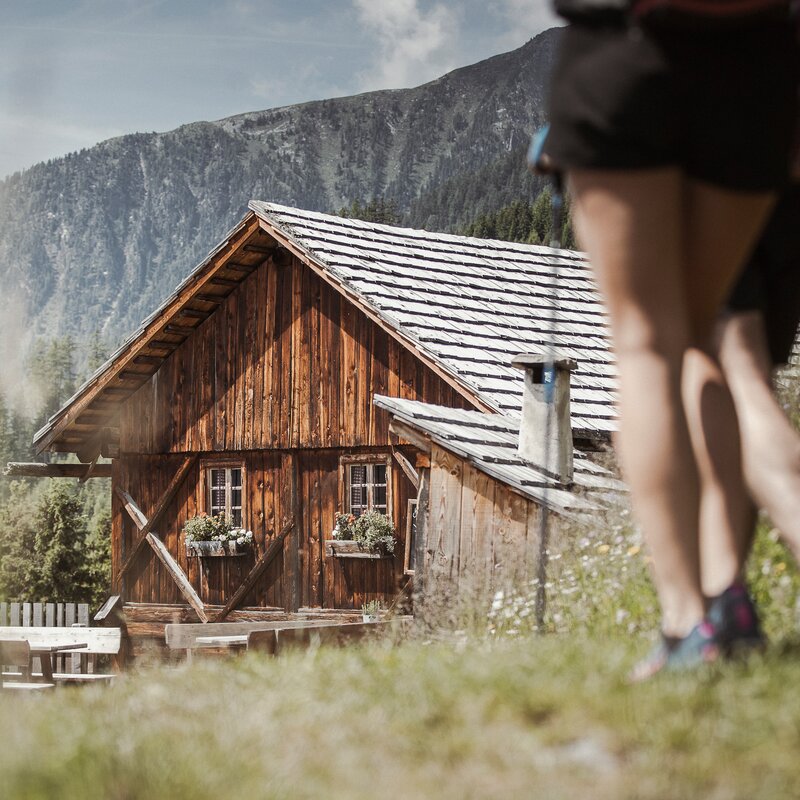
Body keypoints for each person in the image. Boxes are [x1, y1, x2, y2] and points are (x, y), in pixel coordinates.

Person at [546, 0, 798, 676]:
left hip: (624, 49)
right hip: (754, 59)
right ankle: (730, 603)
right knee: (705, 338)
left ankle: (690, 620)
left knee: (650, 349)